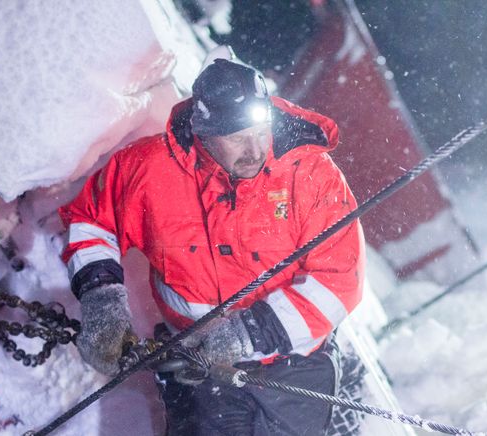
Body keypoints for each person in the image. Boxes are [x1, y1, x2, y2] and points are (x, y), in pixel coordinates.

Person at [59, 51, 365, 435]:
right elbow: (91, 221)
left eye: (259, 134)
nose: (255, 151)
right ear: (204, 134)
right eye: (238, 140)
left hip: (295, 367)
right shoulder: (147, 170)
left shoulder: (311, 176)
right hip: (199, 369)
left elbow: (340, 280)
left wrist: (251, 332)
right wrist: (100, 297)